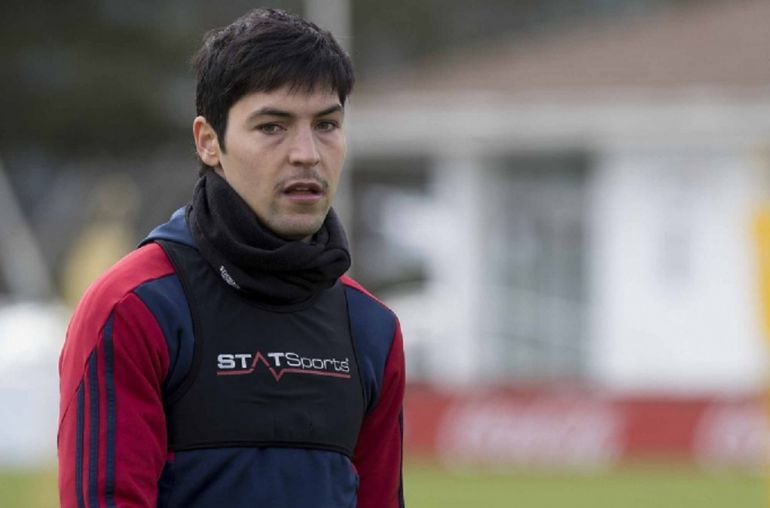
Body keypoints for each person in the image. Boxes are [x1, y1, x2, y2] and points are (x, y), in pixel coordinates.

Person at [57, 8, 406, 508]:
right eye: (272, 126)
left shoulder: (372, 327)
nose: (306, 153)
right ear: (208, 142)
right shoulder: (134, 308)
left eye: (326, 124)